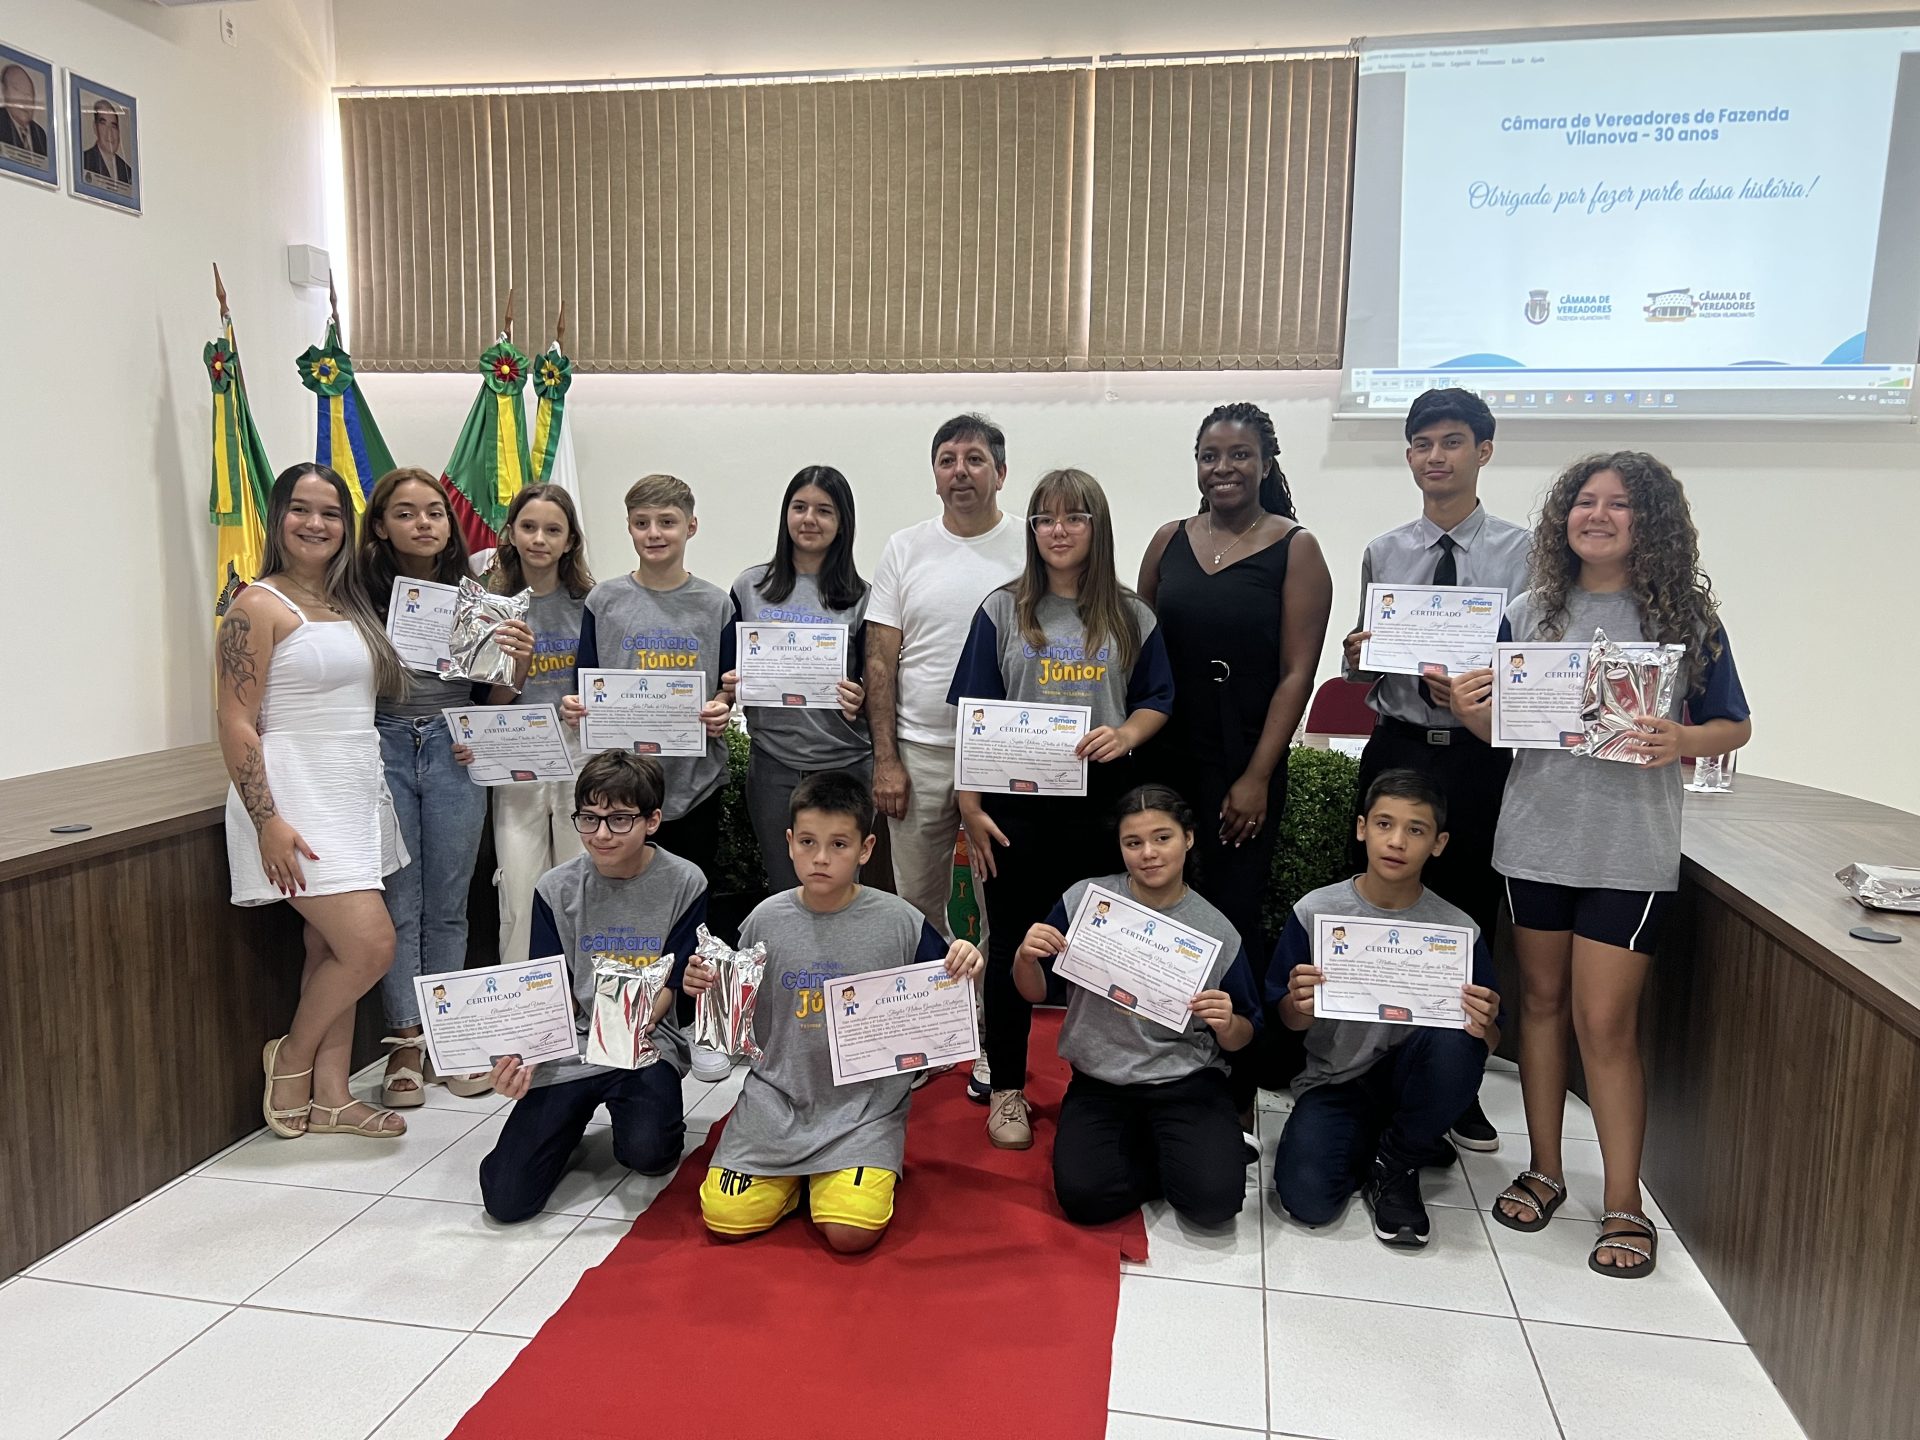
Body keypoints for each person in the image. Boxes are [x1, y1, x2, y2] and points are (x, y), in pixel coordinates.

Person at [1449, 452, 1751, 1277]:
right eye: (1585, 501)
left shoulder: (1684, 618)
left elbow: (1733, 724)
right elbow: (1503, 728)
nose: (1598, 515)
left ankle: (1624, 1203)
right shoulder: (1529, 611)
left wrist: (1682, 738)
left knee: (1606, 1027)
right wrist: (1470, 712)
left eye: (1620, 504)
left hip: (1628, 851)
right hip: (1535, 842)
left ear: (1650, 522)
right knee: (1541, 1008)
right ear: (1564, 518)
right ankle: (1545, 1169)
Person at [950, 468, 1174, 1149]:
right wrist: (968, 805)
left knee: (1097, 947)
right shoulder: (1001, 610)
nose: (1058, 530)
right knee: (1012, 943)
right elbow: (974, 713)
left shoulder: (1131, 614)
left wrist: (1126, 734)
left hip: (1101, 808)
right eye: (1045, 518)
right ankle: (1008, 1089)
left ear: (1097, 527)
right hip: (1015, 808)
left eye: (1074, 517)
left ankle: (1101, 1084)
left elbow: (1157, 699)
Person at [1341, 387, 1530, 1154]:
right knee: (1382, 899)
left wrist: (1489, 687)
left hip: (1479, 755)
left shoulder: (1526, 554)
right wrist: (1357, 657)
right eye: (1422, 444)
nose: (1435, 457)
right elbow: (1366, 668)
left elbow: (1536, 666)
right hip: (1399, 744)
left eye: (1452, 442)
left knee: (1470, 914)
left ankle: (1459, 1083)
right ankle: (1370, 1066)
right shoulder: (1384, 551)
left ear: (1484, 451)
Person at [697, 771, 985, 1253]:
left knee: (851, 1233)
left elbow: (942, 993)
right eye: (808, 842)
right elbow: (728, 1008)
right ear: (789, 842)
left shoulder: (901, 921)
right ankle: (797, 1181)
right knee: (725, 1218)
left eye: (839, 844)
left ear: (866, 849)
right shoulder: (762, 920)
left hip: (863, 1109)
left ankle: (825, 1176)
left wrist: (965, 962)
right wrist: (702, 985)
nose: (821, 858)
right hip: (777, 1099)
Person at [1138, 401, 1331, 1115]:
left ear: (1266, 463)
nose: (1223, 468)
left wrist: (1256, 775)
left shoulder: (1296, 547)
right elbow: (1138, 648)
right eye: (1210, 455)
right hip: (1165, 750)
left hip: (1243, 755)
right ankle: (1157, 1048)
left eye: (1239, 454)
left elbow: (1297, 674)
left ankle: (1234, 1071)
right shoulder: (1168, 540)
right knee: (1156, 901)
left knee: (1231, 912)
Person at [217, 463, 412, 1140]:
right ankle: (293, 1059)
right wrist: (267, 821)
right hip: (295, 799)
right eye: (301, 509)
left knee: (330, 947)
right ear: (278, 517)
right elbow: (236, 722)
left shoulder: (347, 602)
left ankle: (331, 1098)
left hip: (353, 792)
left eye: (330, 513)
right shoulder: (256, 605)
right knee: (371, 946)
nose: (316, 524)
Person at [358, 468, 536, 1109]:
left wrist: (517, 658)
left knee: (450, 903)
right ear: (381, 526)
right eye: (406, 513)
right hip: (382, 743)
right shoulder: (356, 596)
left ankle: (449, 1039)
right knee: (400, 900)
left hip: (453, 745)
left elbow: (497, 693)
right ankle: (405, 1041)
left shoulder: (479, 595)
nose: (424, 523)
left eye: (435, 512)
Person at [1270, 770, 1502, 1248]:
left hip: (1412, 1078)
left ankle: (1397, 1163)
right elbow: (1286, 1019)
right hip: (1336, 1081)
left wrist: (1484, 1025)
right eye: (1384, 824)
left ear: (1438, 844)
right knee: (1308, 1201)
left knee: (1457, 1040)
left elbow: (1489, 1042)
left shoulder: (1458, 931)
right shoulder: (1316, 912)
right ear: (1362, 829)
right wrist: (1299, 1004)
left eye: (1416, 830)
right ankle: (1394, 1138)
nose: (1397, 841)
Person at [866, 414, 1025, 1099]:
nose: (960, 470)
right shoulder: (905, 548)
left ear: (1001, 472)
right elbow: (881, 659)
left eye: (975, 458)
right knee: (917, 906)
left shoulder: (1029, 545)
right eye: (947, 459)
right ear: (934, 473)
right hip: (920, 753)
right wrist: (886, 759)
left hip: (1004, 760)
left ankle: (991, 1042)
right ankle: (931, 1034)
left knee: (1000, 910)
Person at [478, 752, 708, 1222]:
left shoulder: (685, 881)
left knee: (650, 1155)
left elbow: (670, 983)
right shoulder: (555, 888)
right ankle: (565, 1122)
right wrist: (523, 1057)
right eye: (589, 818)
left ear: (652, 821)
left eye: (619, 819)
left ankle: (634, 1117)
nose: (601, 834)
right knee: (507, 1201)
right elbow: (548, 991)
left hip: (644, 1042)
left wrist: (625, 1029)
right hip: (573, 1045)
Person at [1015, 785, 1260, 1228]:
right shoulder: (1085, 901)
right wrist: (1024, 958)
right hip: (1100, 1079)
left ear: (1188, 838)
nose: (1148, 853)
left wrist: (1227, 1023)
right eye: (1133, 842)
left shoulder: (1217, 930)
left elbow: (1245, 1034)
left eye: (1162, 837)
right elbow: (1034, 993)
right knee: (1084, 1201)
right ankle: (1168, 1152)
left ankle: (1190, 1150)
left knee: (1214, 1205)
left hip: (1185, 1079)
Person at [563, 475, 734, 880]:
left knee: (690, 890)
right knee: (618, 891)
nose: (654, 533)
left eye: (667, 522)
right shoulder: (603, 601)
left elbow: (727, 688)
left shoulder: (717, 604)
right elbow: (582, 683)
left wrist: (721, 708)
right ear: (629, 527)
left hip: (694, 784)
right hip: (619, 789)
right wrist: (574, 707)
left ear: (691, 526)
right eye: (642, 523)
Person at [722, 466, 871, 890]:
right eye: (799, 507)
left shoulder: (863, 597)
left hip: (844, 764)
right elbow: (725, 672)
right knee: (785, 887)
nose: (809, 519)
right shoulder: (749, 587)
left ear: (842, 522)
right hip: (773, 763)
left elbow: (874, 685)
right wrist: (728, 688)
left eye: (824, 510)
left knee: (838, 888)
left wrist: (860, 696)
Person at [469, 484, 594, 968]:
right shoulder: (488, 605)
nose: (539, 539)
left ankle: (581, 996)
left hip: (579, 755)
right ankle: (523, 999)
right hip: (515, 756)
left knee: (579, 883)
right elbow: (484, 700)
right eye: (528, 527)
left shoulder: (591, 603)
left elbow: (606, 685)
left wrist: (588, 704)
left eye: (553, 530)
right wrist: (517, 671)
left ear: (570, 540)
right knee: (519, 892)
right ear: (511, 533)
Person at [0, 64, 48, 159]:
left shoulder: (39, 134)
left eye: (30, 93)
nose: (26, 100)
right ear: (4, 91)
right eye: (18, 90)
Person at [81, 98, 131, 185]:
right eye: (103, 124)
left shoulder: (128, 171)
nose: (109, 133)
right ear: (95, 127)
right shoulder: (84, 161)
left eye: (113, 126)